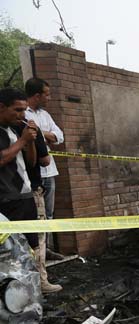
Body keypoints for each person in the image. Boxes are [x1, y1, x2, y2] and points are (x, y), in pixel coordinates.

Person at [0, 87, 62, 293]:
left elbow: (33, 161)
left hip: (25, 195)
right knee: (11, 250)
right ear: (2, 107)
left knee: (33, 245)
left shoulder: (16, 129)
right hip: (7, 200)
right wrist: (23, 141)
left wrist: (32, 140)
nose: (22, 115)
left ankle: (35, 288)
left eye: (24, 110)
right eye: (17, 110)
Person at [24, 78, 63, 221]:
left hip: (50, 172)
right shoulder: (23, 114)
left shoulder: (45, 115)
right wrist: (46, 136)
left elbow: (59, 137)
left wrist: (39, 133)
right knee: (37, 216)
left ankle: (47, 244)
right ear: (37, 96)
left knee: (49, 214)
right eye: (47, 94)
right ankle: (40, 244)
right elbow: (27, 135)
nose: (49, 98)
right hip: (33, 173)